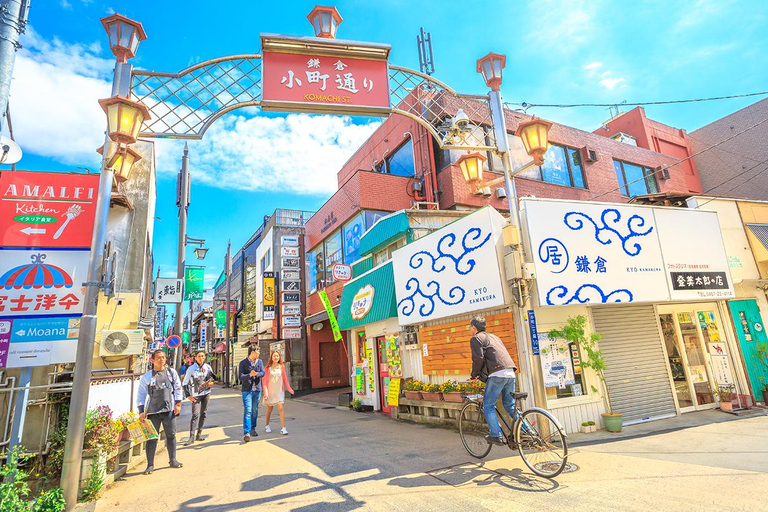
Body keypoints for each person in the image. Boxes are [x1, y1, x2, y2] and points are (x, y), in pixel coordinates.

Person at [469, 316, 518, 445]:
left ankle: (496, 435)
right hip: (510, 372)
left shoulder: (476, 339)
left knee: (488, 405)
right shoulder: (495, 337)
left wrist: (474, 375)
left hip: (497, 374)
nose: (469, 330)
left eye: (470, 328)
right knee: (510, 405)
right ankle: (526, 432)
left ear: (474, 328)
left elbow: (478, 358)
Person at [137, 350, 184, 474]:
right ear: (152, 360)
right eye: (158, 358)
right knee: (152, 438)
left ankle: (173, 460)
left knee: (171, 435)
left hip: (169, 409)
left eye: (163, 357)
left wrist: (178, 403)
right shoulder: (147, 377)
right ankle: (150, 465)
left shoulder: (171, 373)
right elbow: (141, 394)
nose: (161, 360)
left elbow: (178, 388)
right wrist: (141, 411)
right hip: (153, 411)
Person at [182, 350, 218, 446]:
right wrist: (188, 395)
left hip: (206, 393)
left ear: (205, 357)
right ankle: (191, 437)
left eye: (202, 356)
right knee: (195, 414)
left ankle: (199, 434)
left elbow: (214, 377)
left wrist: (211, 382)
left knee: (204, 413)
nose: (201, 358)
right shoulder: (191, 368)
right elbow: (185, 383)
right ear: (195, 357)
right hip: (196, 394)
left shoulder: (207, 367)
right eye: (199, 356)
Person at [263, 350, 295, 435]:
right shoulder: (267, 368)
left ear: (279, 357)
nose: (276, 357)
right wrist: (266, 393)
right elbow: (265, 382)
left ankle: (283, 428)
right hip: (270, 392)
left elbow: (285, 379)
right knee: (269, 409)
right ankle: (267, 425)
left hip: (279, 391)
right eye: (274, 356)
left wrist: (289, 388)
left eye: (277, 356)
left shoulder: (282, 367)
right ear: (271, 357)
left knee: (280, 408)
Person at [238, 345, 264, 443]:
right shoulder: (243, 363)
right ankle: (247, 432)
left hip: (257, 389)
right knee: (248, 410)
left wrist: (256, 374)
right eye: (257, 351)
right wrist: (249, 375)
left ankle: (253, 428)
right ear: (252, 352)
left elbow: (263, 372)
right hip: (247, 390)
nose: (259, 353)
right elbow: (240, 376)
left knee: (254, 410)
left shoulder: (259, 362)